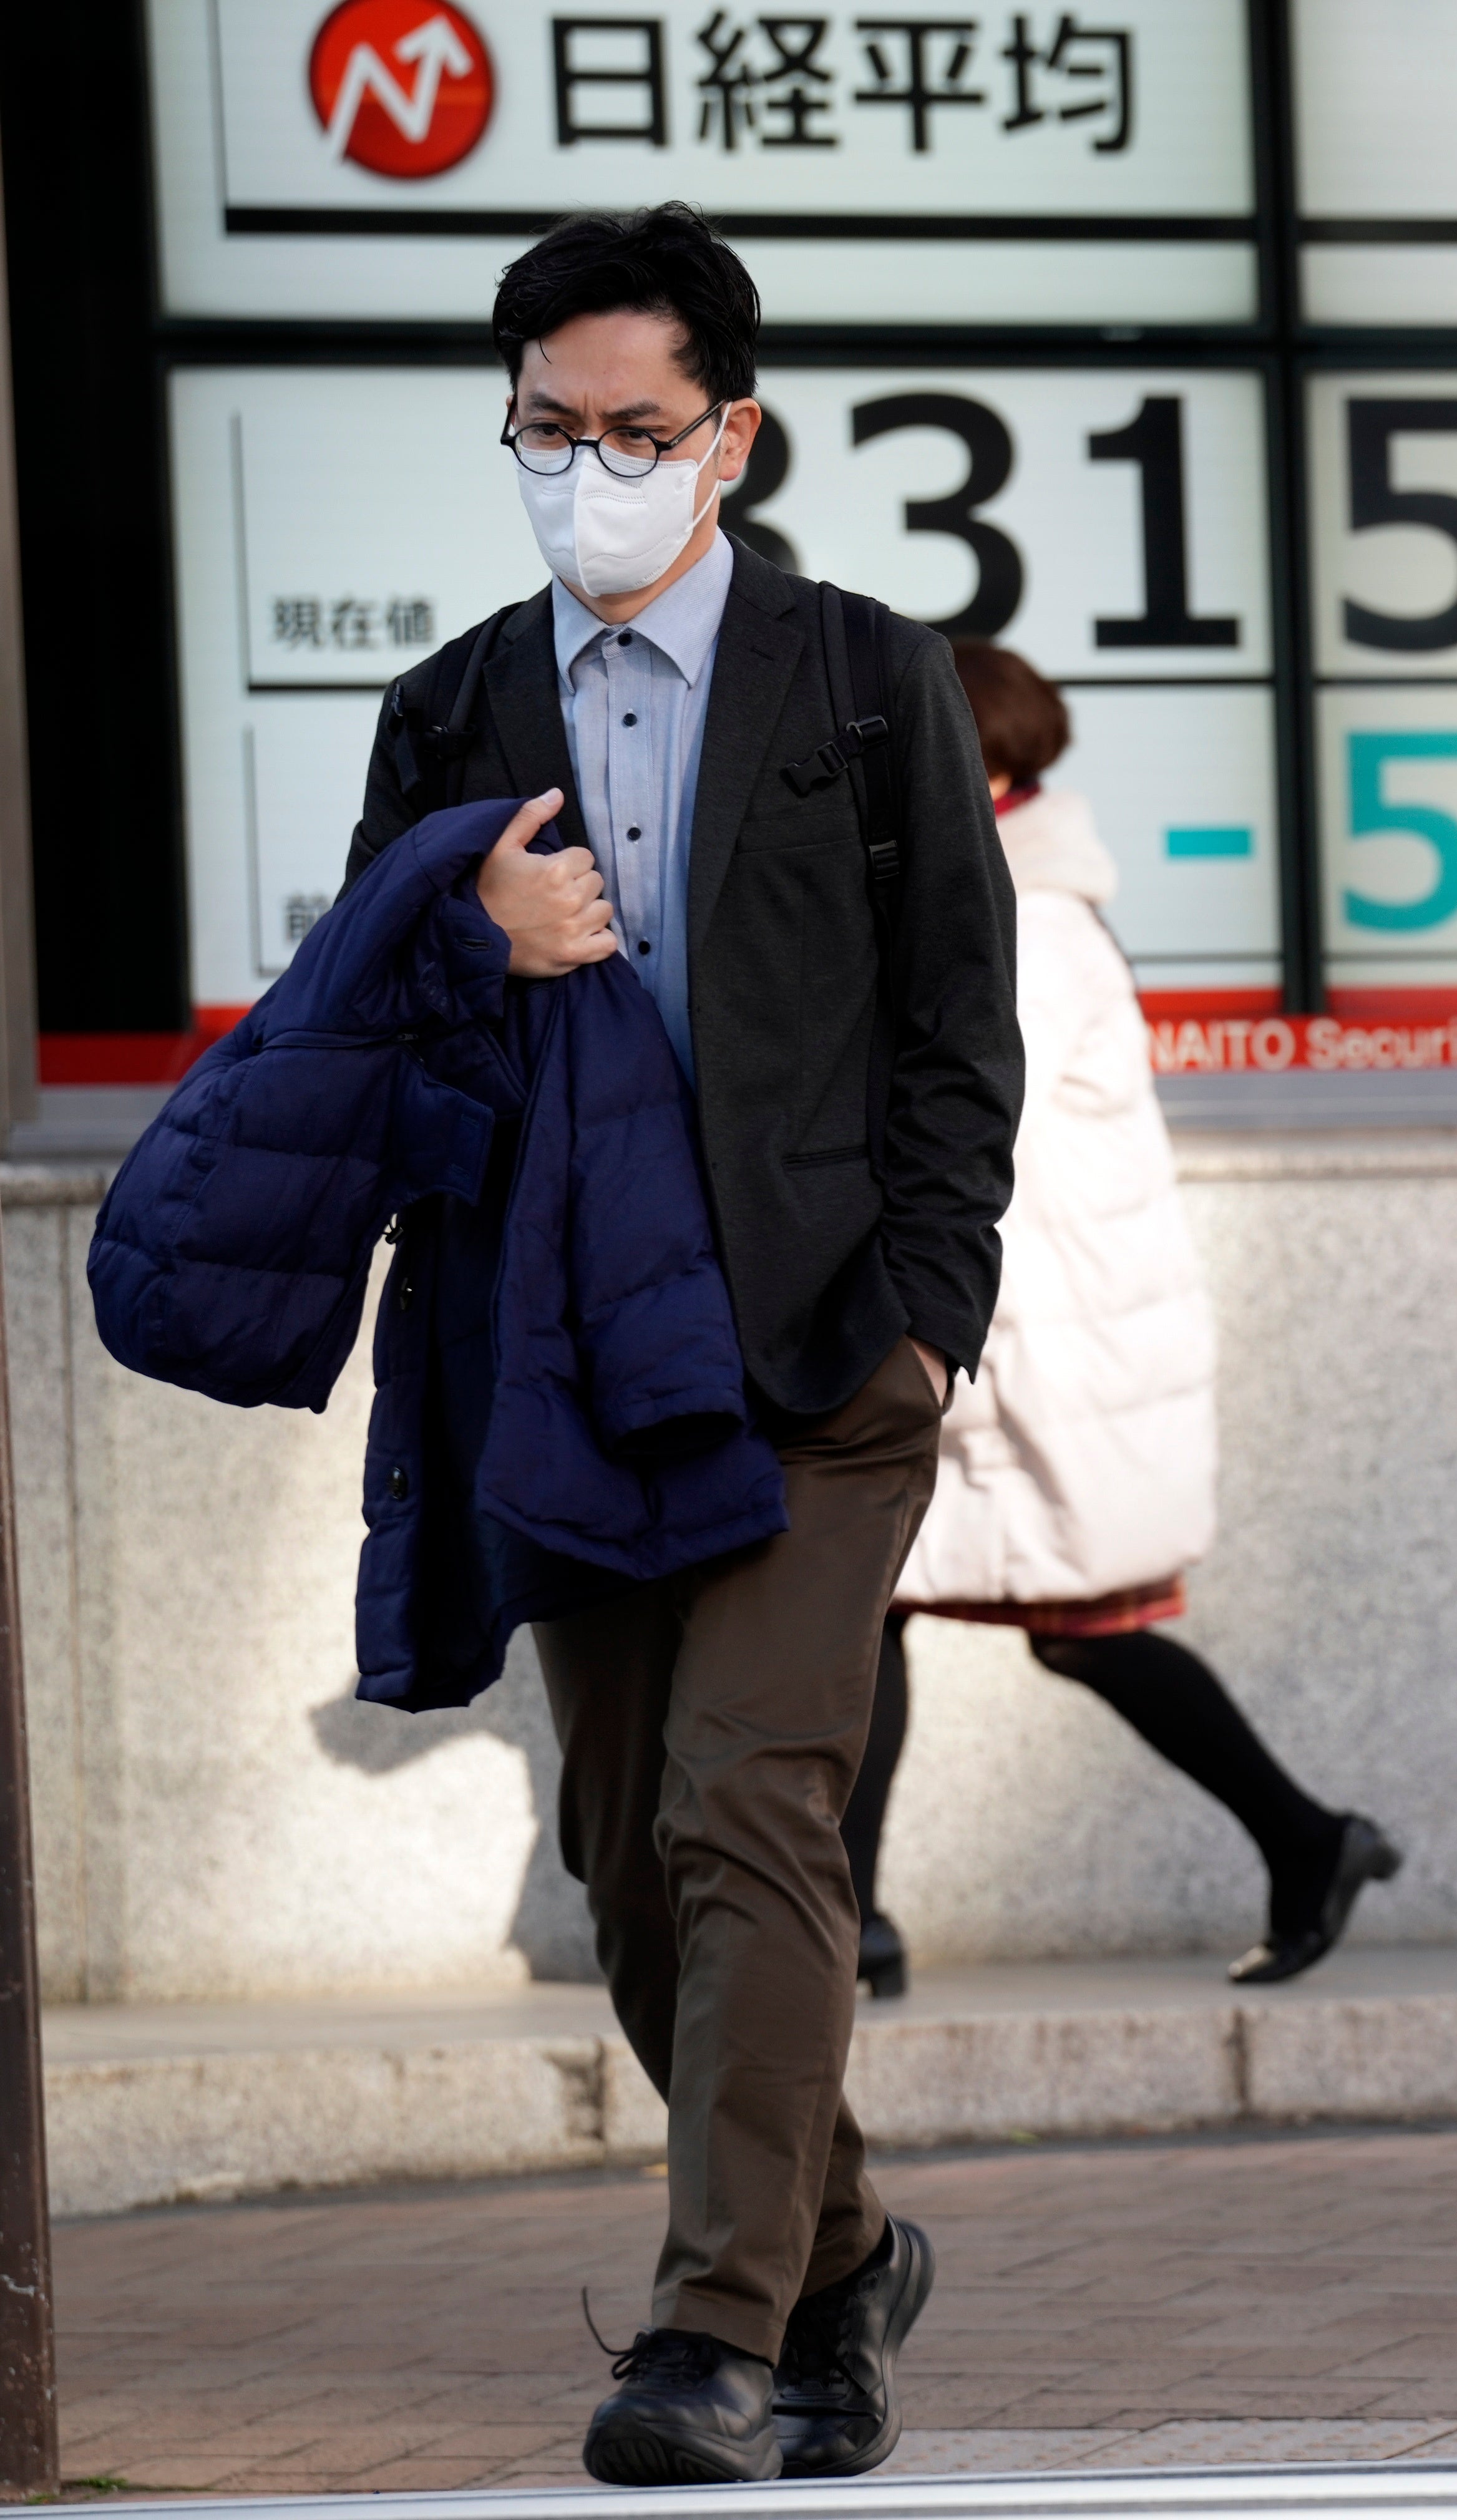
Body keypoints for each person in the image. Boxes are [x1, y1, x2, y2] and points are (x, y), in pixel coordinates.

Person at [351, 205, 1021, 2486]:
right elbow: (377, 1072)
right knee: (633, 1863)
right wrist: (469, 939)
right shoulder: (447, 711)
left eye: (637, 429)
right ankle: (840, 2255)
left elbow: (959, 1020)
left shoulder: (863, 674)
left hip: (821, 1364)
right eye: (549, 431)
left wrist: (935, 1314)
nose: (589, 469)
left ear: (731, 436)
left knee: (752, 1806)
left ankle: (711, 2335)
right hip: (567, 1360)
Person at [841, 642, 1401, 1997]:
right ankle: (851, 1919)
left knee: (1024, 1615)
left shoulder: (1020, 918)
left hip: (1038, 1328)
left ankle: (1305, 1833)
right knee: (885, 1600)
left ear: (980, 766)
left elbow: (944, 1115)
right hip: (1012, 1314)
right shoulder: (1000, 893)